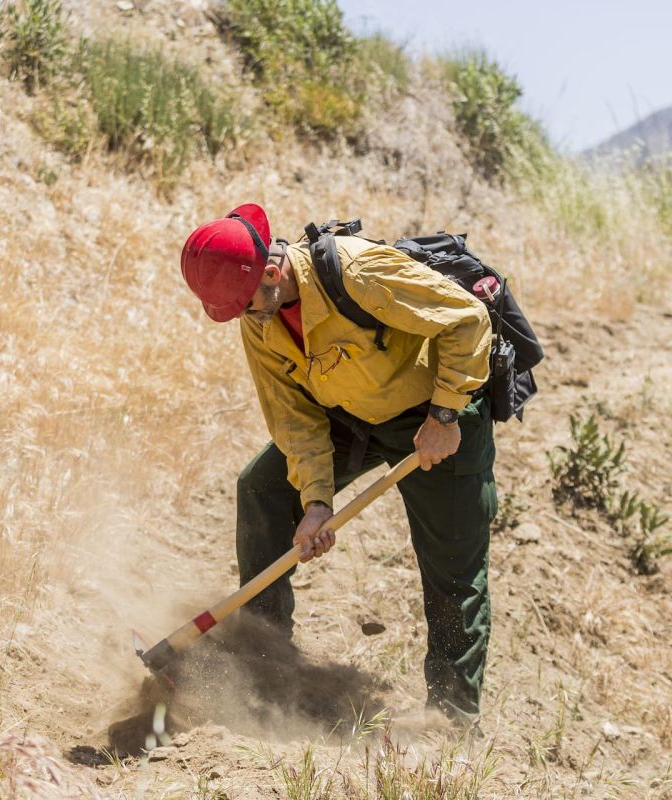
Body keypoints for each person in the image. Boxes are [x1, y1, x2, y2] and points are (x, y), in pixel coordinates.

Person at [179, 202, 497, 725]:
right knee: (262, 489)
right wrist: (316, 502)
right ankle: (267, 669)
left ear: (273, 272)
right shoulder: (257, 312)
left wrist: (445, 413)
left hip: (435, 409)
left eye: (248, 306)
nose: (247, 318)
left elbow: (467, 320)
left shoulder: (356, 271)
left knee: (453, 569)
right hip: (350, 414)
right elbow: (293, 417)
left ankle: (451, 720)